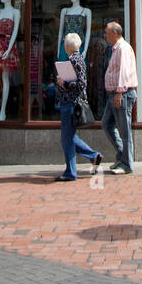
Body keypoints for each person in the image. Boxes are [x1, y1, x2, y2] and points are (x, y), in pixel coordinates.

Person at [54, 31, 101, 181]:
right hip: (71, 102)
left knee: (66, 138)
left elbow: (81, 84)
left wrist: (64, 83)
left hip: (70, 103)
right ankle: (93, 156)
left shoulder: (74, 60)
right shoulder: (78, 58)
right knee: (68, 137)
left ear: (67, 46)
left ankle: (71, 171)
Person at [102, 21, 138, 175]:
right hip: (114, 94)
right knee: (107, 124)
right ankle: (122, 155)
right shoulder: (116, 49)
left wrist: (119, 92)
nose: (105, 35)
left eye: (106, 32)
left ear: (114, 33)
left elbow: (124, 71)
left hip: (121, 94)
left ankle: (127, 164)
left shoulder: (123, 48)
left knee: (124, 131)